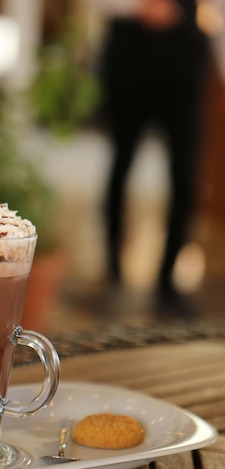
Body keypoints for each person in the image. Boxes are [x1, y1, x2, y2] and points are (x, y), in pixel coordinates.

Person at [93, 0, 210, 304]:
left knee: (185, 174)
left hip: (184, 56)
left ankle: (168, 276)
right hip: (132, 57)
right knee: (122, 162)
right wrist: (138, 7)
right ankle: (112, 263)